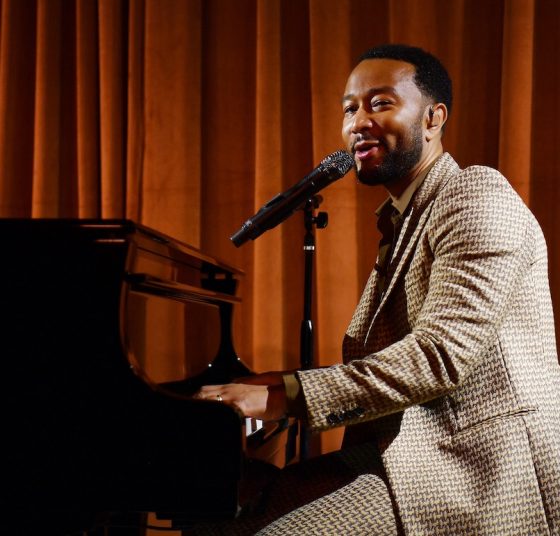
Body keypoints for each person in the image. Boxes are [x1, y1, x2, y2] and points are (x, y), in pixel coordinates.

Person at [193, 44, 560, 535]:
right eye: (350, 108)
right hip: (405, 452)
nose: (357, 122)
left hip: (478, 469)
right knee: (230, 514)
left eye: (381, 103)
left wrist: (285, 396)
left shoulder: (476, 195)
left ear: (433, 118)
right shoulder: (402, 221)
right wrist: (275, 382)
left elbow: (438, 357)